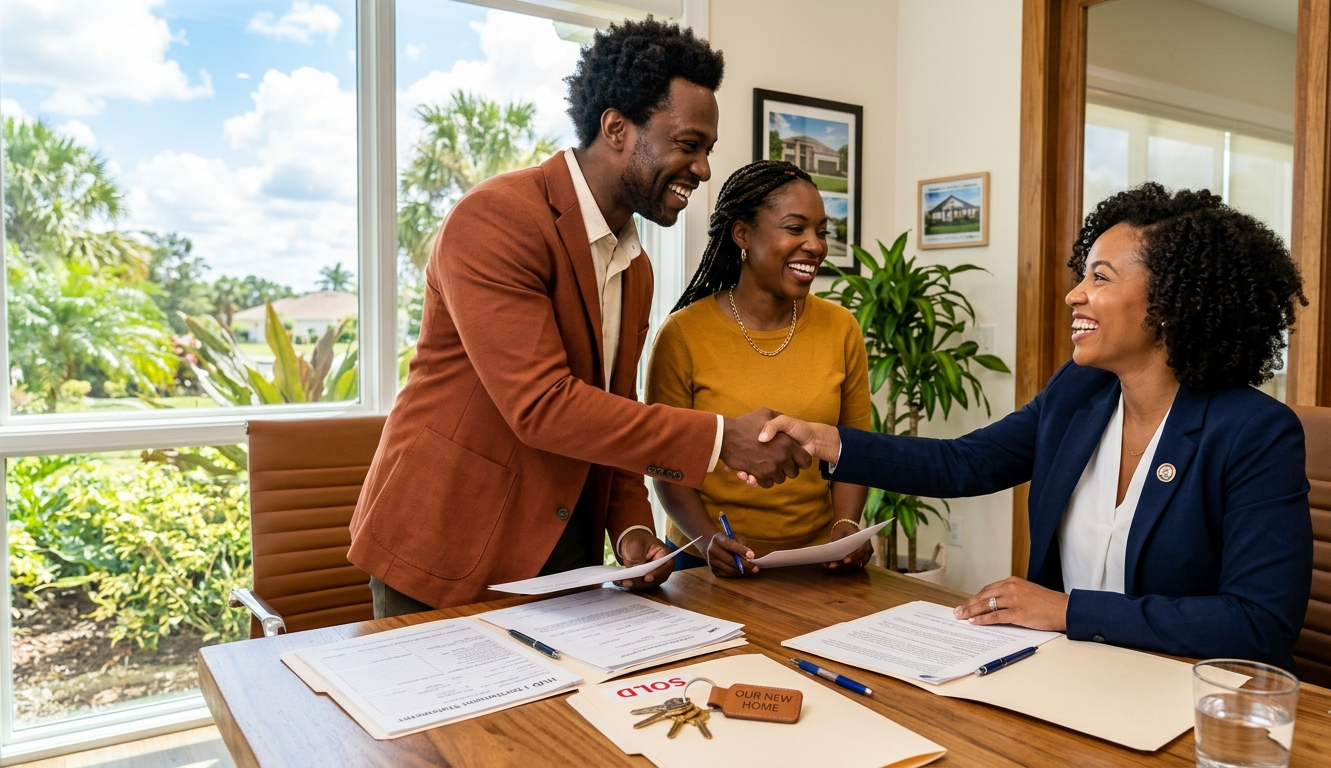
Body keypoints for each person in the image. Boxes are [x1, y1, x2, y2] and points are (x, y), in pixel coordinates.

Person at [348, 19, 811, 616]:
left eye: (707, 152)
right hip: (445, 543)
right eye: (688, 144)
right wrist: (723, 439)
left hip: (564, 555)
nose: (702, 169)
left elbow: (613, 409)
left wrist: (631, 529)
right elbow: (543, 405)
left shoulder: (635, 266)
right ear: (616, 128)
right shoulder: (495, 220)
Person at [751, 182, 1313, 670]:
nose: (1074, 294)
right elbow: (966, 462)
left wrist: (1067, 610)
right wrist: (829, 440)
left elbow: (1258, 622)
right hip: (1069, 676)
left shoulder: (1255, 433)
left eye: (1100, 277)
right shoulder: (1079, 393)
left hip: (1186, 696)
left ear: (1169, 303)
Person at [646, 160, 873, 577]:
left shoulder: (842, 328)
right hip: (704, 562)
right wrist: (708, 539)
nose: (815, 245)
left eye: (822, 232)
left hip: (817, 563)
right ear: (743, 235)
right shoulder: (682, 334)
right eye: (795, 228)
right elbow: (666, 463)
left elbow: (854, 447)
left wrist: (846, 526)